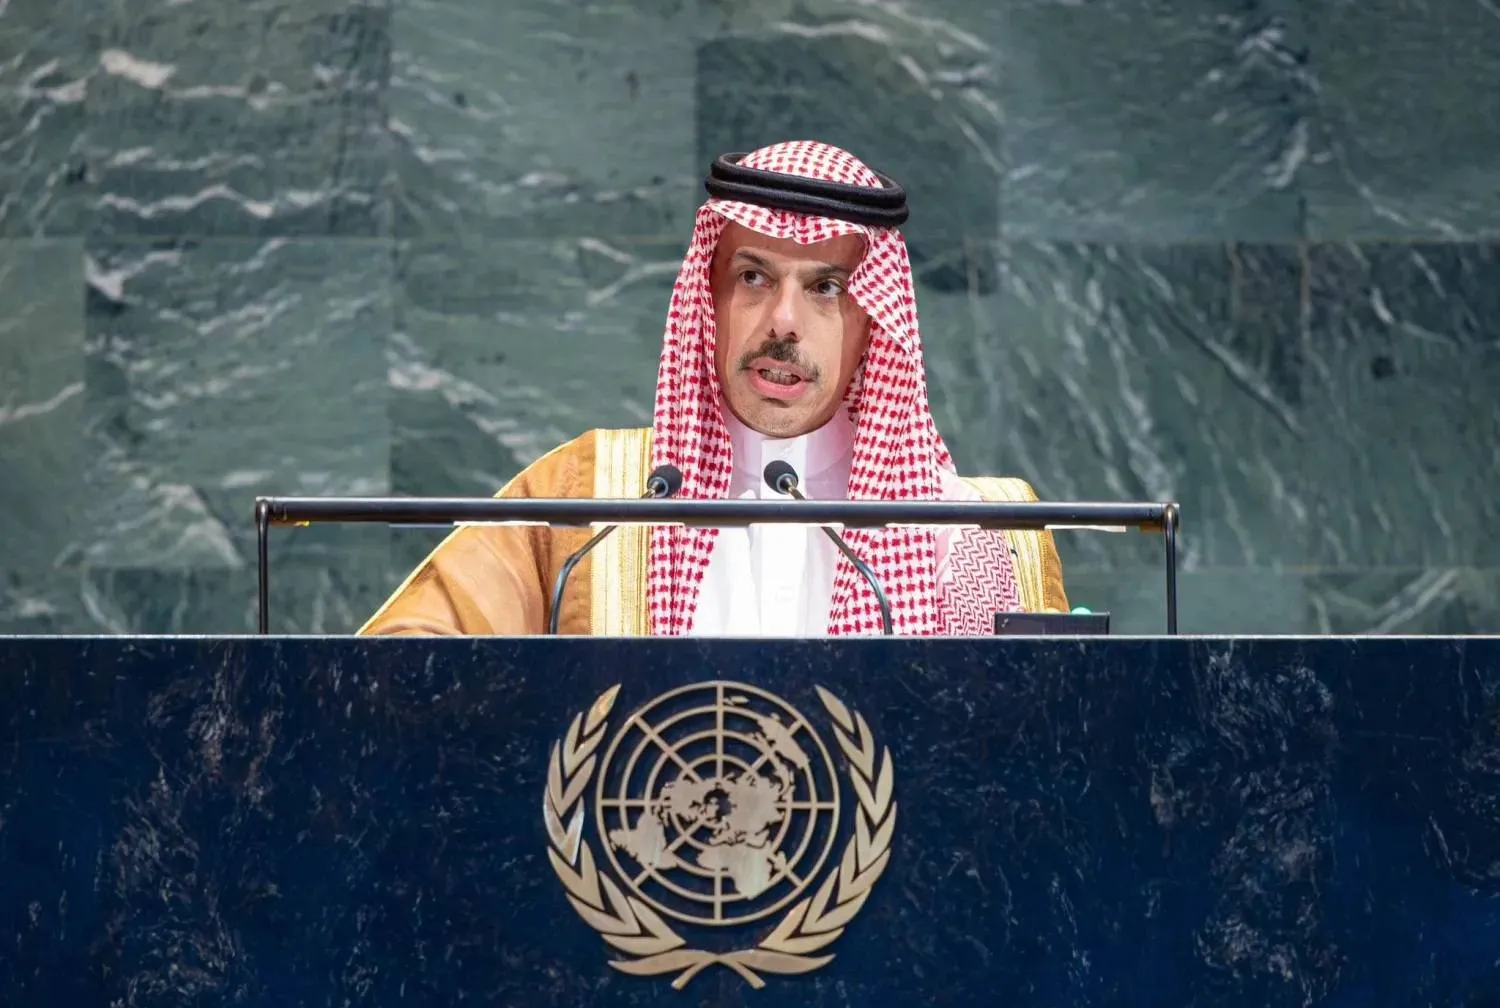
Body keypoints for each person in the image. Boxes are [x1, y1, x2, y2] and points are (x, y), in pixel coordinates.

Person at [359, 140, 1068, 637]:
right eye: (754, 277)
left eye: (825, 288)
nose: (783, 322)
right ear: (711, 295)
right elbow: (407, 670)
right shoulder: (590, 504)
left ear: (872, 323)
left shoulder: (971, 536)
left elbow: (1033, 758)